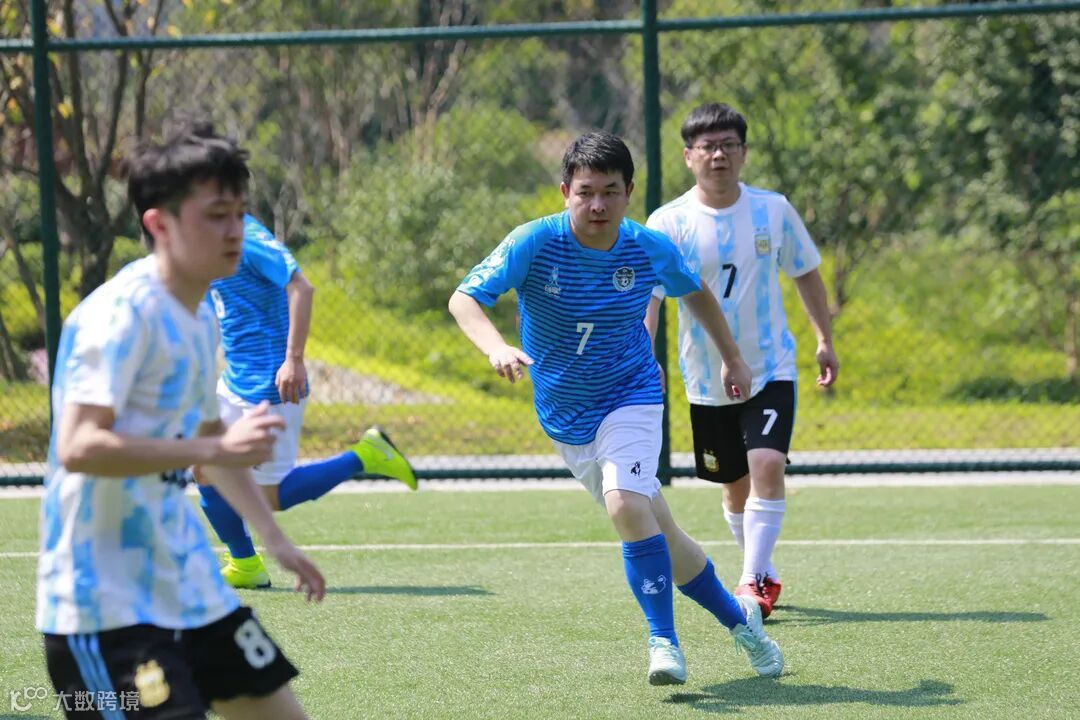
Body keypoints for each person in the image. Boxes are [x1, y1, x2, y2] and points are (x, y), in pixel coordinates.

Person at [449, 131, 783, 686]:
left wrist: (732, 358)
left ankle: (663, 641)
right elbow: (464, 298)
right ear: (565, 192)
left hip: (632, 394)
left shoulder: (646, 247)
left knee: (625, 503)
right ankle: (740, 621)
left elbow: (695, 292)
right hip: (565, 417)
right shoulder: (533, 242)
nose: (598, 204)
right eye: (585, 192)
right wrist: (495, 347)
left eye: (610, 191)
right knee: (662, 533)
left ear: (629, 193)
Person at [37, 122, 325, 719]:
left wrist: (276, 541)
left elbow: (209, 441)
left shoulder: (199, 316)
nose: (235, 231)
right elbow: (80, 446)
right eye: (216, 215)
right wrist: (212, 450)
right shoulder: (119, 316)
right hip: (104, 607)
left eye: (240, 214)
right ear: (159, 224)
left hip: (190, 586)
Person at [646, 102, 839, 619]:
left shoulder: (773, 210)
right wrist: (644, 357)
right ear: (688, 156)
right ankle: (763, 568)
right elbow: (650, 298)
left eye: (728, 145)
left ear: (744, 152)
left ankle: (751, 581)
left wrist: (824, 338)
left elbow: (806, 272)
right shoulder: (667, 222)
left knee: (767, 464)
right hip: (705, 378)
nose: (719, 156)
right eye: (708, 147)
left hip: (770, 367)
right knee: (734, 486)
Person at [196, 213, 417, 590]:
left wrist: (293, 359)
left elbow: (302, 287)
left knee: (271, 495)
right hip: (233, 379)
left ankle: (365, 456)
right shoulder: (200, 234)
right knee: (204, 470)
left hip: (271, 384)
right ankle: (245, 564)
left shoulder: (247, 238)